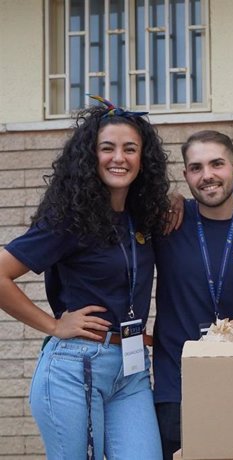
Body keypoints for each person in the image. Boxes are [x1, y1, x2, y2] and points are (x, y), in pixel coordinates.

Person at [0, 96, 168, 459]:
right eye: (106, 148)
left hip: (132, 370)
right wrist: (53, 325)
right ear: (90, 156)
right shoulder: (68, 220)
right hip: (76, 368)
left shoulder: (141, 218)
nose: (118, 158)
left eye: (130, 149)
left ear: (143, 159)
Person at [153, 130, 233, 459]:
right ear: (186, 175)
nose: (208, 176)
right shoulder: (168, 222)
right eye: (196, 168)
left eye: (217, 164)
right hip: (178, 387)